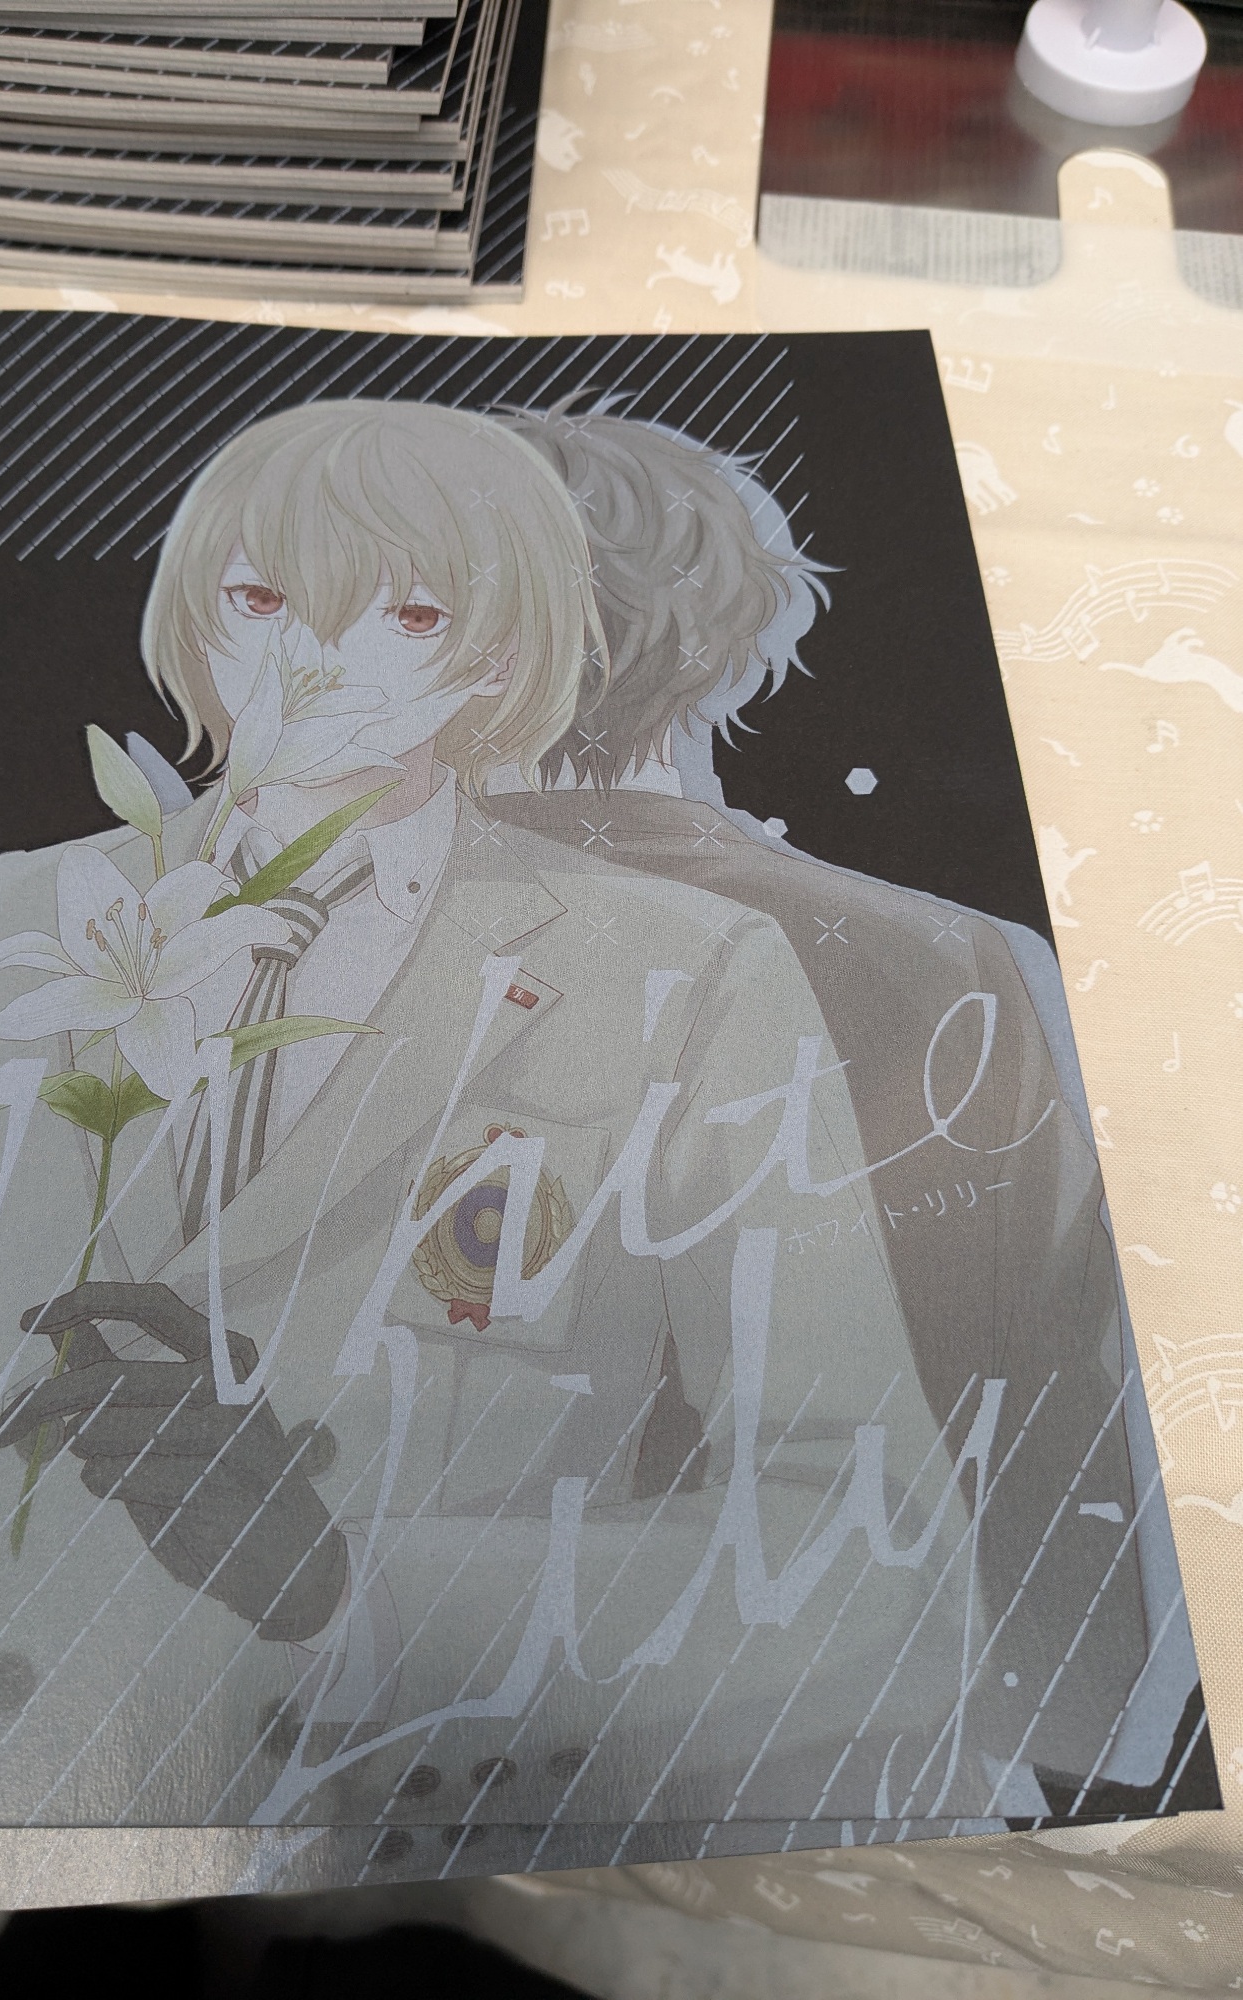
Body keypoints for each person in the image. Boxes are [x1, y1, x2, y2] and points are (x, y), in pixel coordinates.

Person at [0, 399, 1021, 1847]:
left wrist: (354, 1591)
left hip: (382, 1840)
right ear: (194, 614)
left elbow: (874, 1547)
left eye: (409, 617)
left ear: (504, 656)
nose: (315, 665)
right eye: (263, 601)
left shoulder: (680, 976)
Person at [486, 398, 1200, 1814]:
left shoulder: (328, 945)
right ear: (731, 637)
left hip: (424, 1724)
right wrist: (1054, 1752)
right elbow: (1062, 1405)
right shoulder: (967, 960)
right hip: (869, 1751)